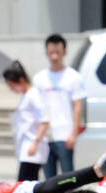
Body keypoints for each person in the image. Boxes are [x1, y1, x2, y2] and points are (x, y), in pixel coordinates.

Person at [32, 34, 85, 176]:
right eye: (51, 52)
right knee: (49, 180)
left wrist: (73, 134)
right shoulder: (39, 78)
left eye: (58, 52)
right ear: (46, 53)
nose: (54, 56)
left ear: (65, 52)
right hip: (46, 136)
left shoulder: (73, 77)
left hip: (65, 135)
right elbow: (35, 108)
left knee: (68, 177)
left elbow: (78, 106)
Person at [3, 61, 50, 182]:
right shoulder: (27, 95)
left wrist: (35, 143)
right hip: (27, 146)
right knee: (26, 184)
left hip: (32, 147)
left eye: (12, 85)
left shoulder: (34, 95)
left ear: (21, 80)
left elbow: (44, 121)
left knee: (24, 183)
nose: (11, 89)